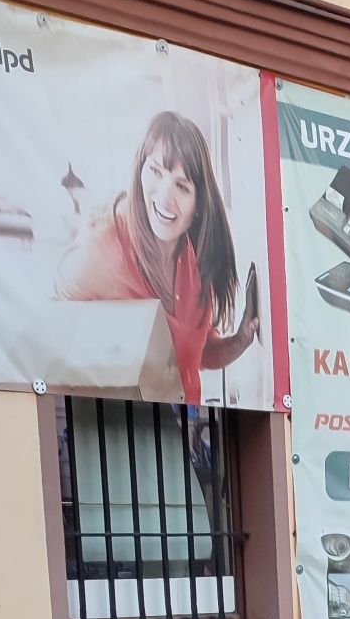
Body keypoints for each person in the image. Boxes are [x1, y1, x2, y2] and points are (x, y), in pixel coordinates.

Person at [56, 111, 259, 404]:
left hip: (178, 430)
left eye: (182, 186)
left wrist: (239, 342)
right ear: (139, 171)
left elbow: (194, 352)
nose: (165, 196)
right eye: (155, 171)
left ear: (199, 205)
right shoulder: (102, 247)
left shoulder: (195, 259)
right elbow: (51, 337)